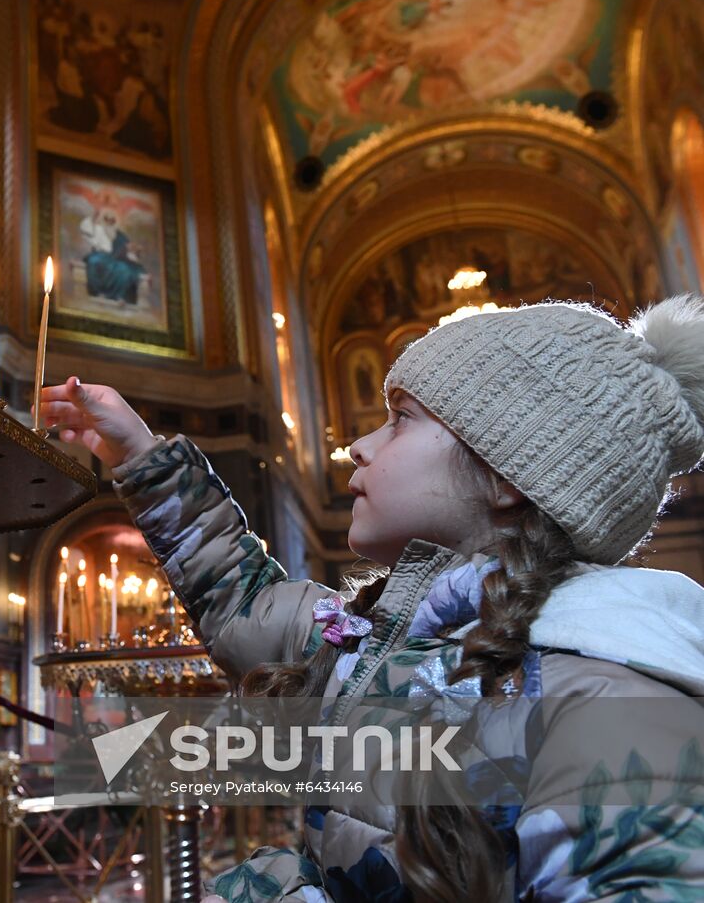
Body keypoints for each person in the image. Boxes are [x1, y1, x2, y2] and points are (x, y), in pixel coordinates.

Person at [39, 295, 704, 900]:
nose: (357, 447)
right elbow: (242, 599)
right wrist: (139, 453)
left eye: (400, 421)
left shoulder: (610, 697)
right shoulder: (385, 632)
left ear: (505, 474)